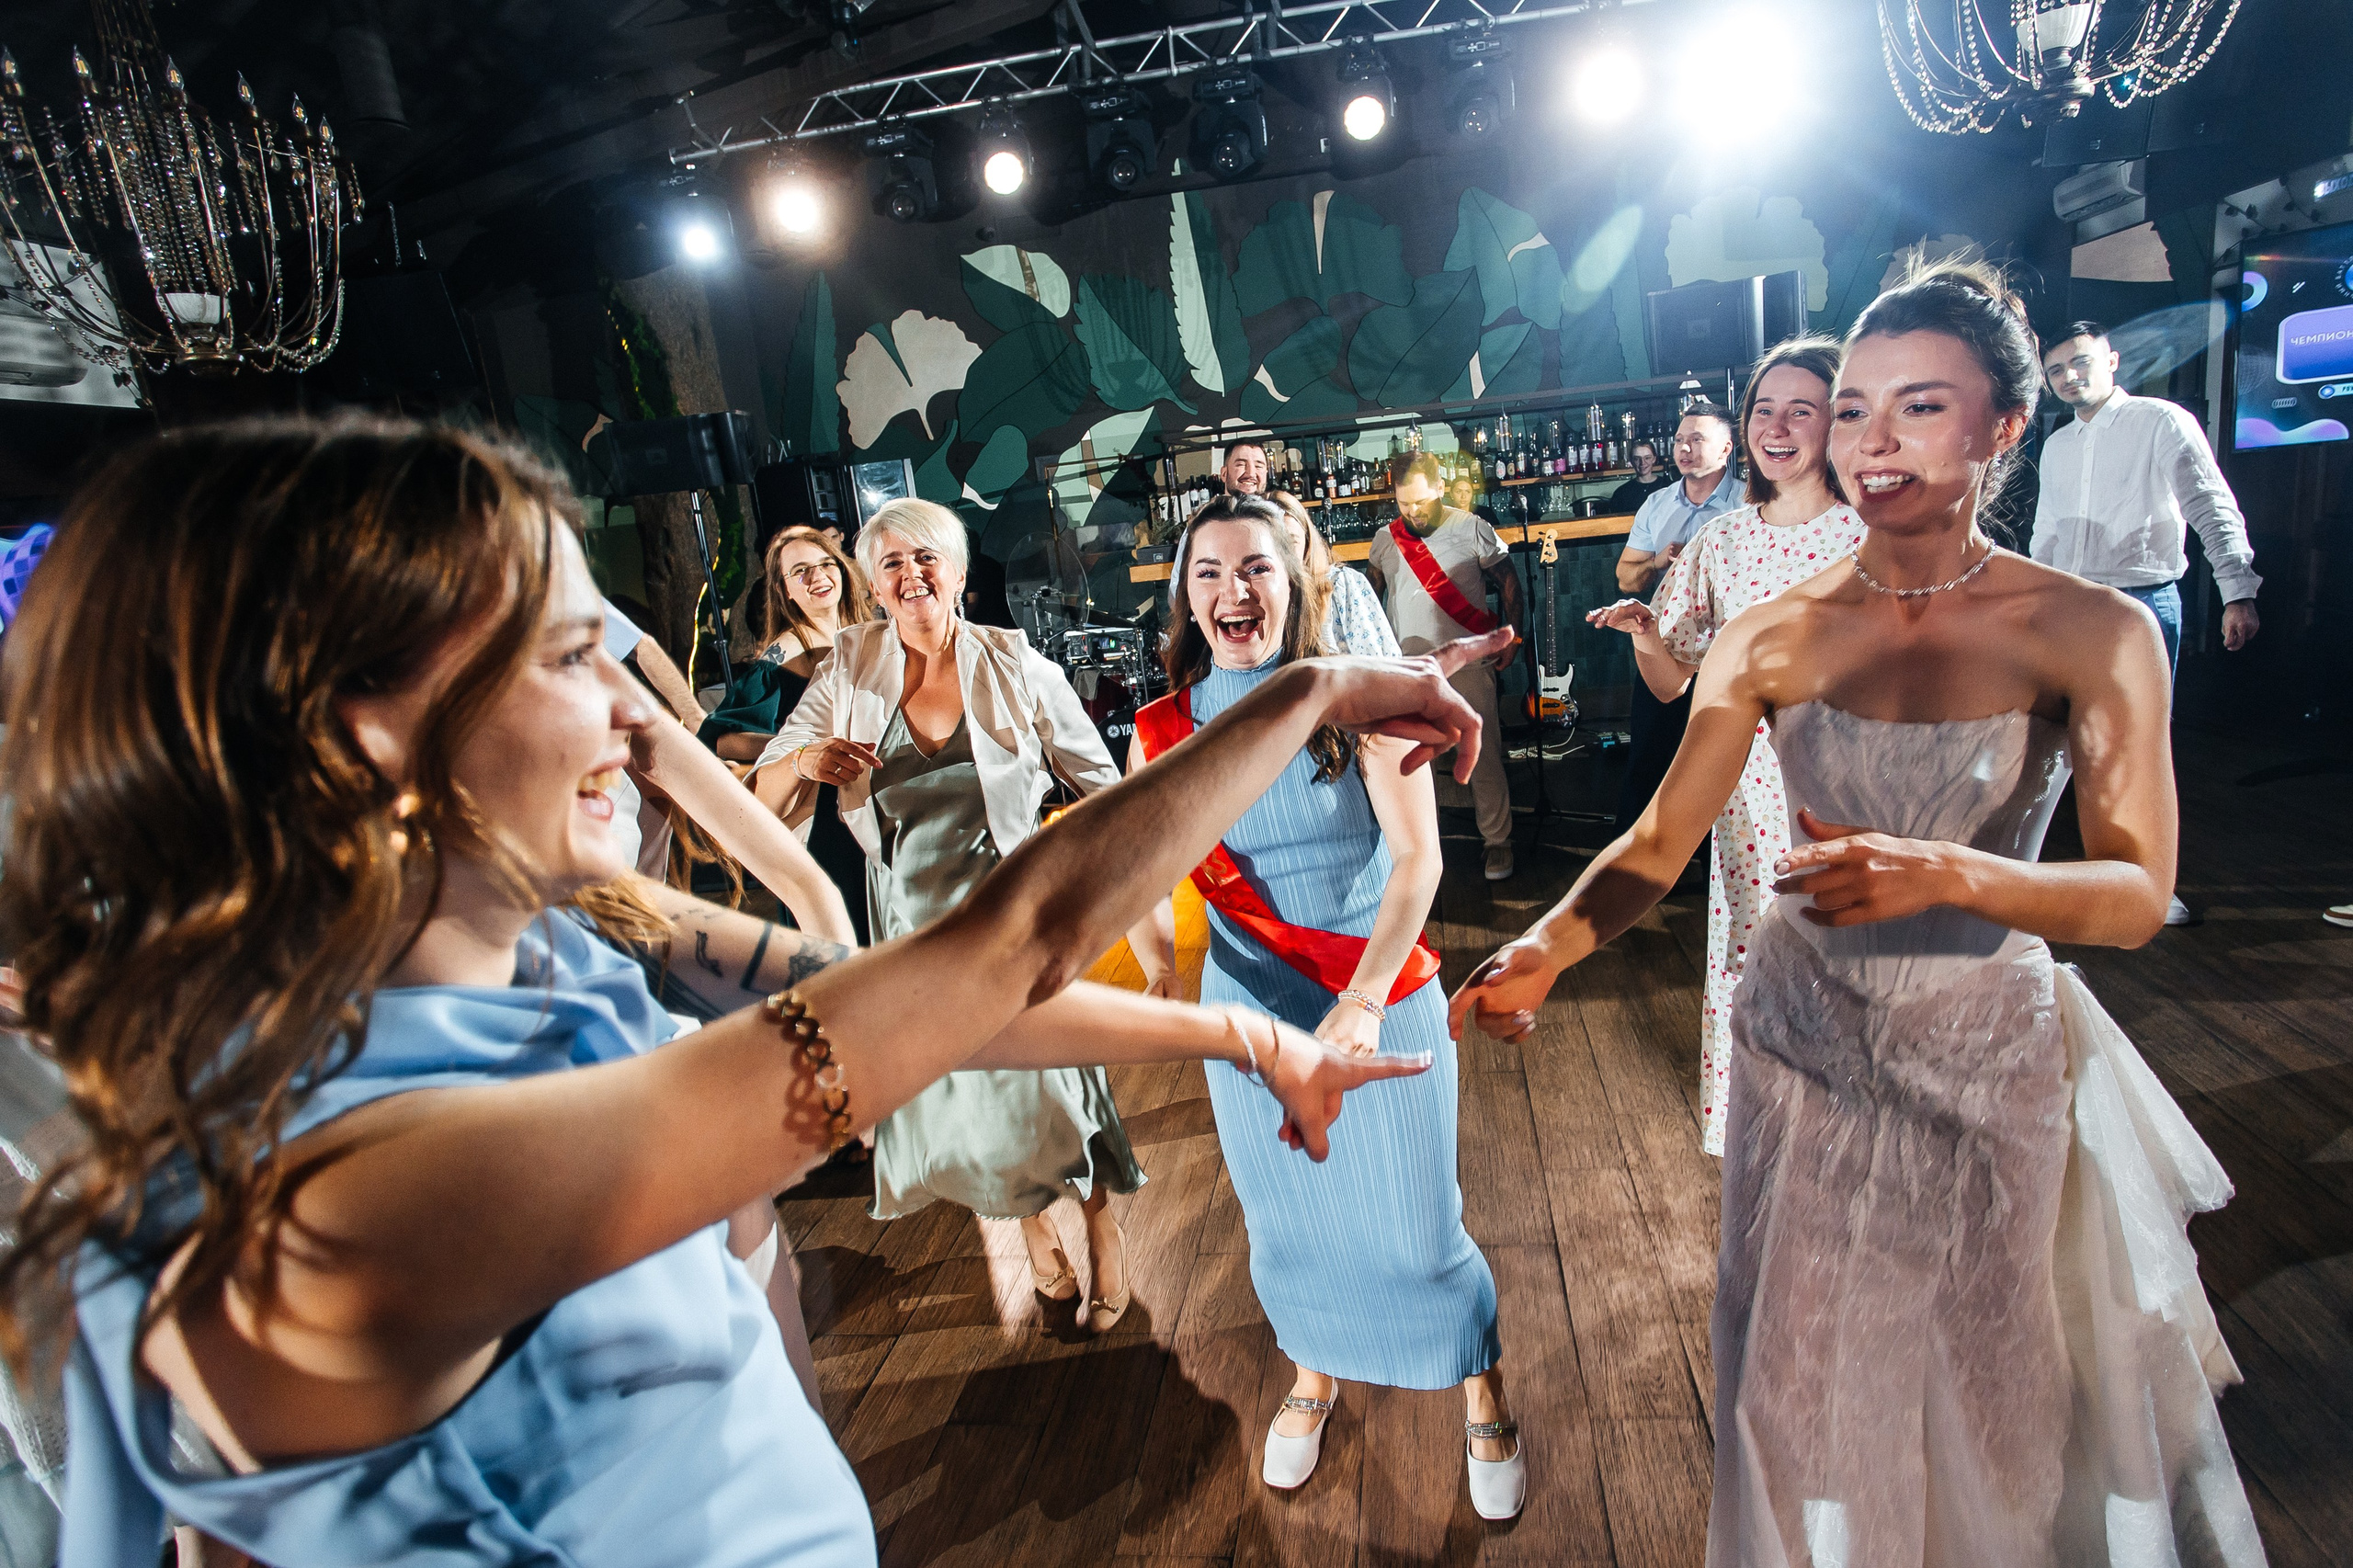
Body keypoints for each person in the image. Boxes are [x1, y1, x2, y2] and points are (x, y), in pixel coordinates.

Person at [2, 415, 1499, 1564]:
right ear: (363, 733)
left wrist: (1236, 1031)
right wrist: (1310, 692)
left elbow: (896, 982)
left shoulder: (549, 963)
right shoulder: (350, 1201)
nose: (637, 713)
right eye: (578, 653)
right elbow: (989, 957)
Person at [1452, 263, 2265, 1566]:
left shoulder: (2096, 630)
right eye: (1854, 412)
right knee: (1809, 1375)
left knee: (1992, 1374)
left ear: (2005, 422)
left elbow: (2134, 894)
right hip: (1805, 1039)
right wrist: (1554, 939)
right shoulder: (1769, 634)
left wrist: (1953, 873)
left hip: (1983, 1045)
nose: (1871, 443)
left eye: (1918, 407)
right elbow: (1661, 840)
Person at [1127, 494, 1522, 1518]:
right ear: (1184, 595)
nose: (1231, 591)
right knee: (1287, 1217)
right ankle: (1312, 1366)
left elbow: (1417, 860)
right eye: (1206, 572)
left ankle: (1480, 1385)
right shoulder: (1164, 728)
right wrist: (1158, 975)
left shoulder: (1367, 699)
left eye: (1253, 567)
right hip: (1246, 1001)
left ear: (1297, 581)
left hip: (1378, 990)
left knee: (1416, 1222)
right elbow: (1138, 872)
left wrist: (1355, 1003)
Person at [750, 499, 1143, 1330]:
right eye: (891, 564)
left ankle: (1102, 1225)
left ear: (960, 575)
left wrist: (1081, 895)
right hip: (915, 934)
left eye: (927, 559)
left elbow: (1105, 790)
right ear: (874, 584)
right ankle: (1036, 1231)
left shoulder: (1016, 665)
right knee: (973, 1102)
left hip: (1013, 920)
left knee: (1057, 1086)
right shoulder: (849, 671)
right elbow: (764, 796)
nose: (911, 576)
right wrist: (808, 758)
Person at [1586, 338, 1866, 1155]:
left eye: (1801, 410)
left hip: (1852, 782)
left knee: (1851, 947)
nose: (1777, 428)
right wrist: (1644, 634)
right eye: (1764, 411)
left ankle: (1851, 1130)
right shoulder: (1724, 542)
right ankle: (1768, 1130)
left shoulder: (1873, 536)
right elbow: (1675, 682)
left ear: (1838, 419)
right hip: (1746, 789)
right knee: (1757, 944)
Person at [2033, 320, 2262, 927]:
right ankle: (2067, 877)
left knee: (2135, 748)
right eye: (2056, 370)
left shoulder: (2160, 421)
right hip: (2070, 606)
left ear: (2111, 359)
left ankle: (2148, 888)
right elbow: (2046, 532)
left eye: (2080, 362)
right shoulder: (2057, 444)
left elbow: (2211, 507)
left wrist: (2237, 592)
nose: (2069, 376)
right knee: (2056, 746)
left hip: (2140, 604)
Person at [699, 525, 877, 940]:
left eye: (823, 565)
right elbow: (720, 736)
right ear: (785, 591)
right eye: (801, 572)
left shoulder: (868, 630)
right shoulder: (785, 651)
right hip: (818, 819)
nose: (817, 577)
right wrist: (801, 748)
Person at [1366, 453, 1526, 881]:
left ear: (1440, 488)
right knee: (1415, 764)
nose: (1413, 512)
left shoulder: (1472, 528)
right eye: (1404, 505)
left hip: (1469, 664)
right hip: (1410, 671)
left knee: (1485, 757)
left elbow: (1510, 584)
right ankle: (1423, 851)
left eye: (1421, 502)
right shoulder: (1386, 538)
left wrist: (1515, 637)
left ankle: (1498, 843)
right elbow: (1369, 602)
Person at [1610, 403, 1743, 836]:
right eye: (1680, 440)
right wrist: (1656, 562)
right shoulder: (1656, 503)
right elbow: (1626, 578)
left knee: (1727, 758)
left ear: (1726, 449)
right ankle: (1635, 862)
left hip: (1734, 649)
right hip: (1666, 645)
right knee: (1650, 753)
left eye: (1697, 439)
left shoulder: (1751, 501)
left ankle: (1712, 862)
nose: (1684, 448)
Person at [1267, 490, 1398, 656]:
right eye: (1272, 544)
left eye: (1292, 542)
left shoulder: (1340, 584)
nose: (1282, 553)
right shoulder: (1258, 600)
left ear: (1307, 543)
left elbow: (1378, 662)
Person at [1606, 438, 1677, 515]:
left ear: (1654, 459)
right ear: (1632, 461)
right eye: (1637, 459)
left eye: (1647, 458)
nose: (1642, 463)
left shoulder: (1669, 487)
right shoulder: (1621, 493)